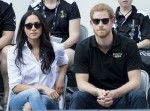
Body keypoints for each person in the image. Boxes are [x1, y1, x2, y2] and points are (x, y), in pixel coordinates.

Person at [69, 3, 147, 109]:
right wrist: (98, 92)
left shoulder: (129, 45)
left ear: (112, 22)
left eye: (105, 20)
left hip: (121, 97)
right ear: (91, 23)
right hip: (95, 97)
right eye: (96, 21)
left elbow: (135, 82)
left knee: (138, 95)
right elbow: (81, 82)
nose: (100, 24)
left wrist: (113, 94)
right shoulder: (82, 47)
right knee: (77, 96)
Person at [7, 11, 68, 110]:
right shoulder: (14, 52)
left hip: (48, 98)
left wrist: (61, 77)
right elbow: (15, 87)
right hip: (19, 98)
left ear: (43, 27)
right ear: (23, 29)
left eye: (37, 25)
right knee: (33, 94)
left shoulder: (55, 48)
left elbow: (64, 61)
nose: (33, 29)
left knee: (30, 105)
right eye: (28, 26)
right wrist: (42, 88)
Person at [28, 0, 81, 68]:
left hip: (65, 47)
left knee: (59, 62)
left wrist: (58, 48)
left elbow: (75, 36)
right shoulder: (33, 6)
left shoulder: (70, 4)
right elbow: (29, 33)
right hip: (41, 46)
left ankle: (61, 77)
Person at [115, 0, 150, 80]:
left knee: (145, 62)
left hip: (139, 49)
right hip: (117, 50)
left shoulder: (142, 15)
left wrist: (132, 47)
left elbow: (148, 40)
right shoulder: (110, 17)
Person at [0, 0, 16, 109]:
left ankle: (7, 94)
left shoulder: (5, 5)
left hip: (0, 46)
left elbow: (8, 35)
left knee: (8, 51)